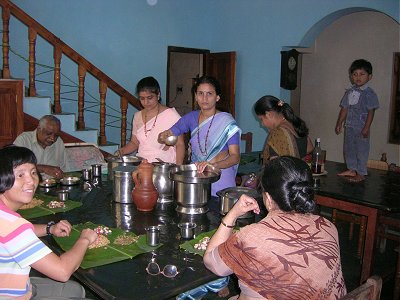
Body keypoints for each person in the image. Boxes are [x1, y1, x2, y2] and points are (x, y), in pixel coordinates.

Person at [203, 156, 347, 299]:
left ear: (268, 199)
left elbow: (211, 263)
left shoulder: (252, 238)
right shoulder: (328, 226)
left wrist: (232, 214)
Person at [0, 145, 98, 299]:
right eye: (20, 175)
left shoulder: (5, 217)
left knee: (75, 290)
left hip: (12, 285)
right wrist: (85, 239)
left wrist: (49, 228)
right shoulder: (12, 226)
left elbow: (13, 236)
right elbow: (63, 272)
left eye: (33, 173)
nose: (31, 181)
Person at [159, 75, 241, 196]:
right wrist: (164, 136)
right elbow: (170, 133)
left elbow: (235, 157)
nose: (204, 98)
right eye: (200, 93)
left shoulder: (227, 121)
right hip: (197, 176)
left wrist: (213, 166)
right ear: (196, 96)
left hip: (220, 176)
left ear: (217, 97)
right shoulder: (191, 118)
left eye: (209, 94)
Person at [117, 76, 185, 164]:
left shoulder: (171, 115)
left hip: (163, 165)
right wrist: (121, 151)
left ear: (158, 95)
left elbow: (180, 144)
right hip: (142, 163)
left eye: (150, 98)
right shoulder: (137, 116)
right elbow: (134, 143)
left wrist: (178, 168)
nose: (146, 102)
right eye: (142, 98)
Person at [335, 59, 379, 182]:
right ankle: (352, 168)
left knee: (361, 150)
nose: (358, 77)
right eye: (355, 74)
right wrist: (339, 123)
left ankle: (361, 173)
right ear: (351, 76)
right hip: (349, 126)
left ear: (369, 76)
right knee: (349, 148)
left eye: (362, 74)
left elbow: (371, 111)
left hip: (361, 128)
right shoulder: (349, 92)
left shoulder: (369, 94)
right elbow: (345, 108)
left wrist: (366, 127)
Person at [254, 95, 313, 163]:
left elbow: (275, 166)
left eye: (261, 119)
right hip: (301, 172)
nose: (262, 124)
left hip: (286, 173)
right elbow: (310, 148)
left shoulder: (277, 133)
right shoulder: (295, 125)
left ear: (268, 114)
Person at [14, 115, 66, 179]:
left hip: (53, 185)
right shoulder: (24, 140)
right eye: (48, 133)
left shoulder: (59, 142)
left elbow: (63, 168)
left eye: (56, 135)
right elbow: (15, 167)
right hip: (29, 184)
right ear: (39, 129)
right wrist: (43, 168)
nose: (53, 138)